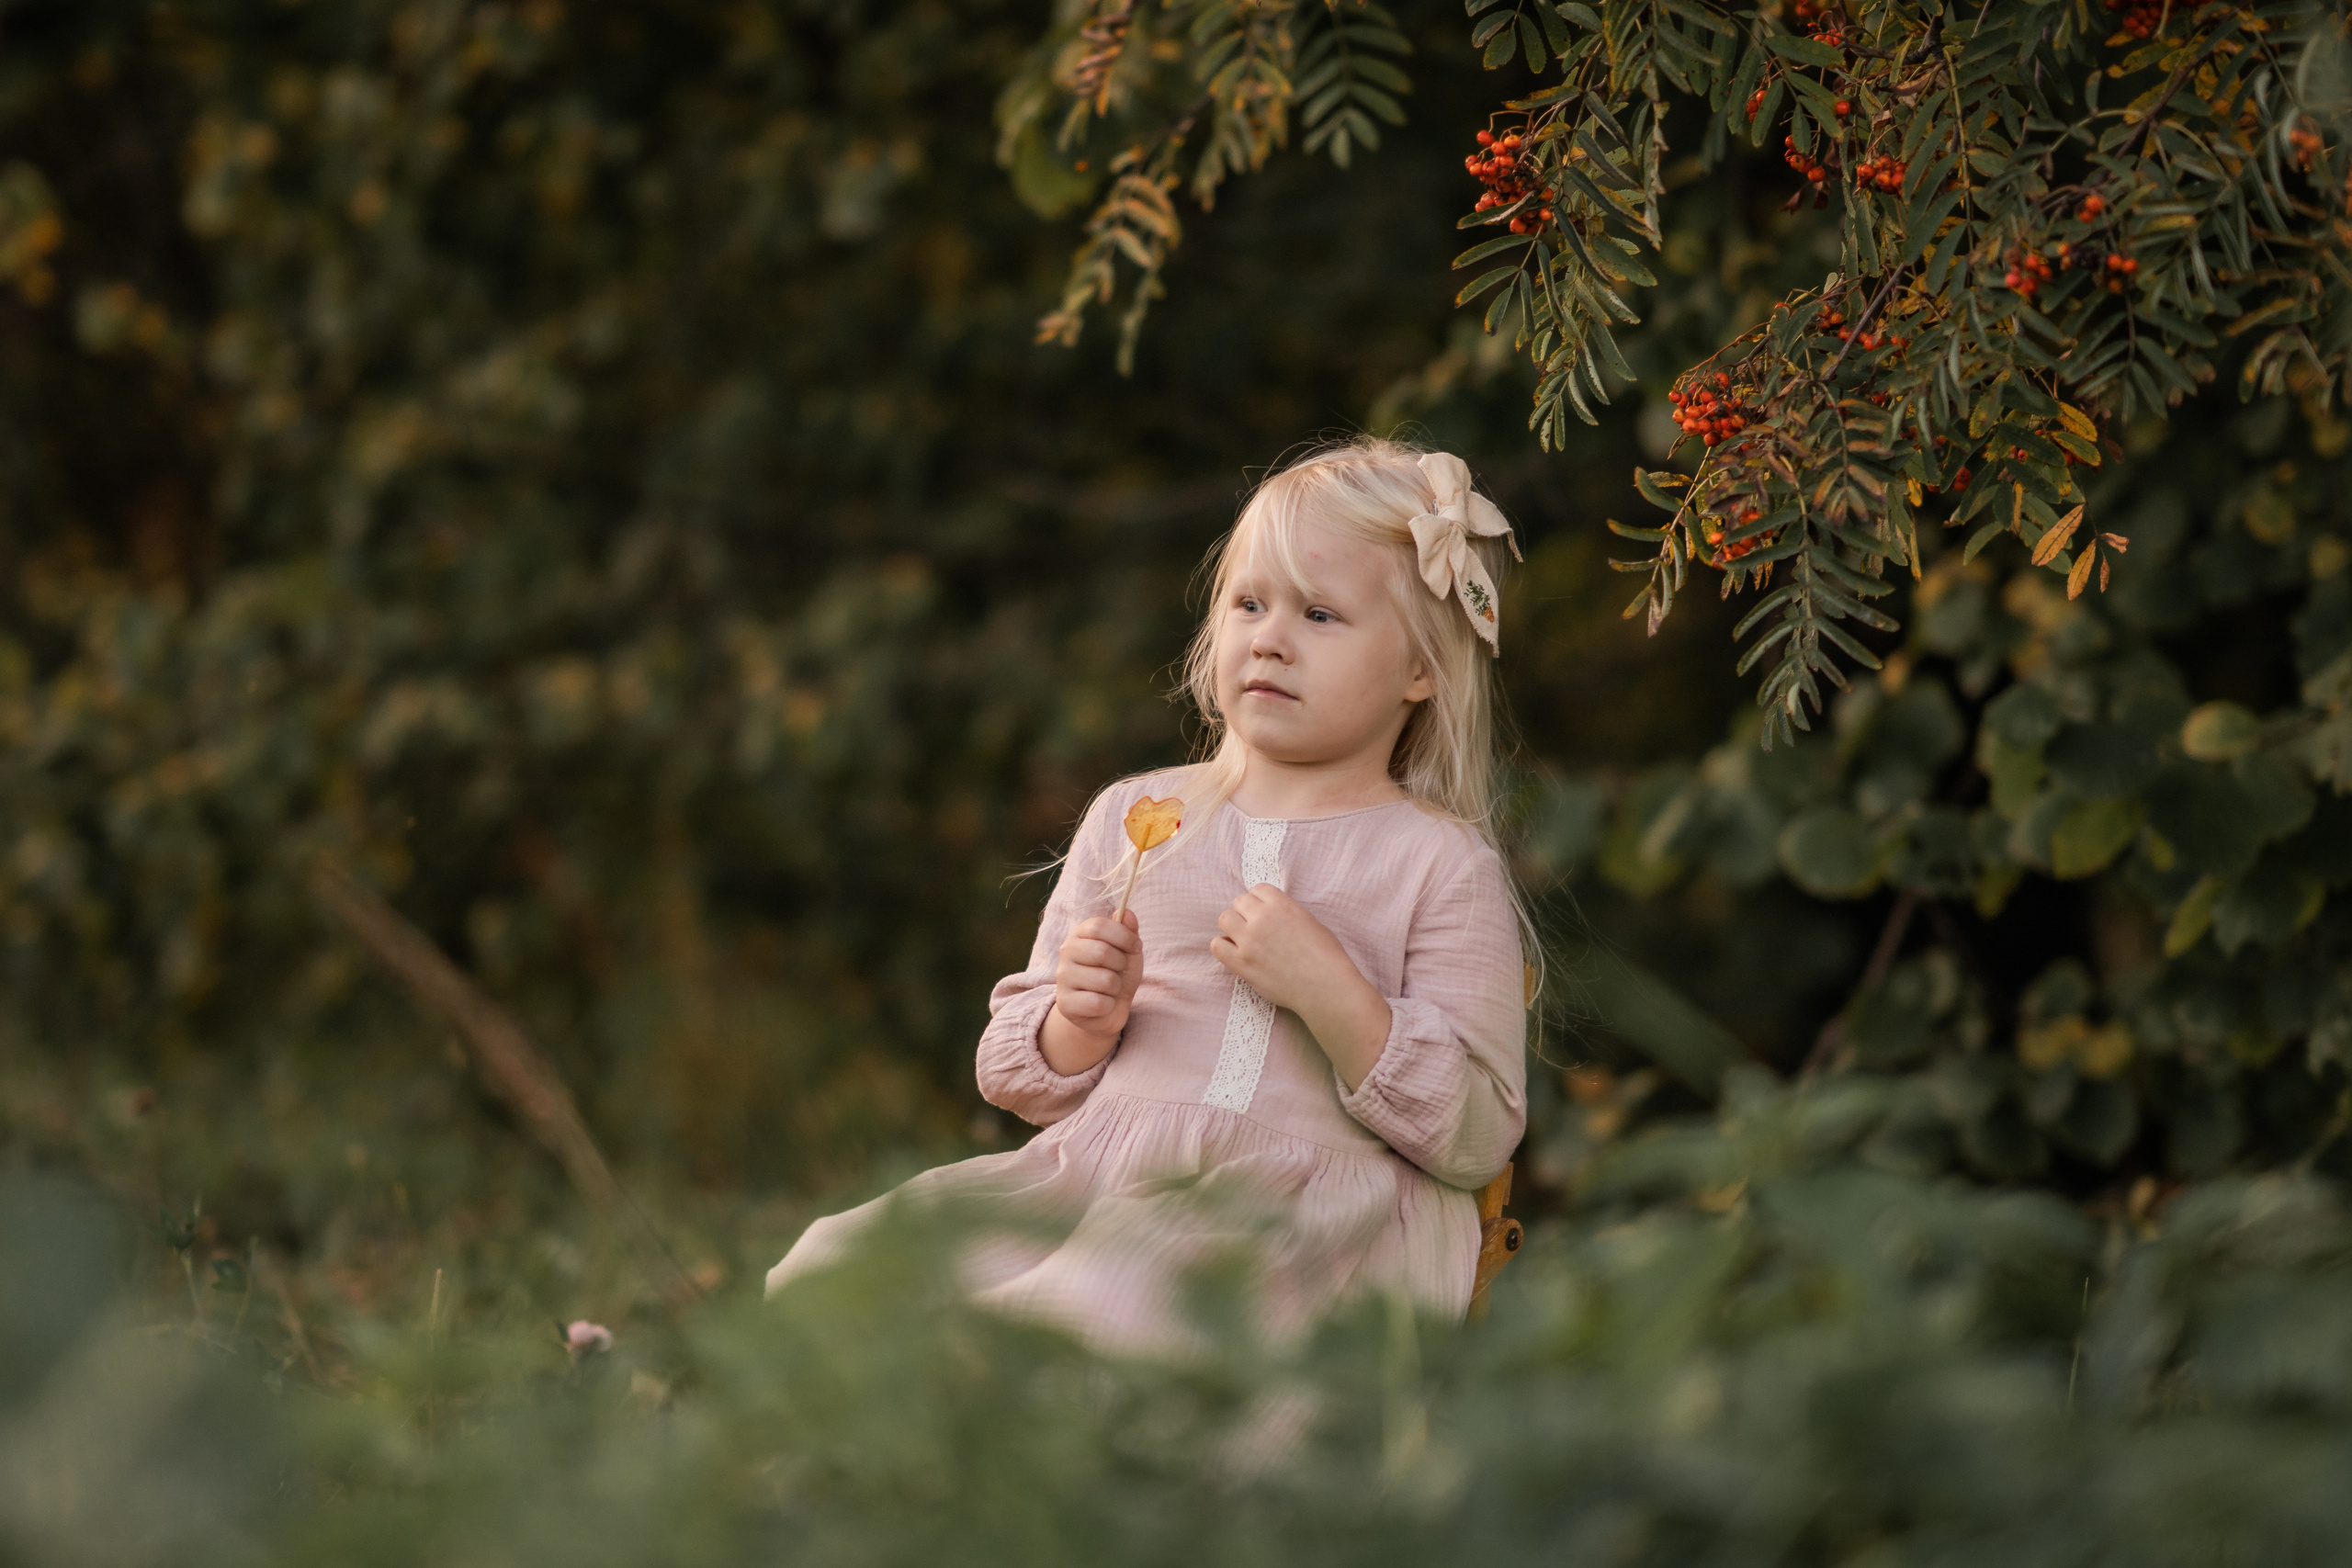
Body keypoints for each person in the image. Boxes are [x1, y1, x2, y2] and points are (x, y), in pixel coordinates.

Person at [765, 439, 1532, 1350]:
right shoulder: (1142, 818)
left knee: (1102, 1311)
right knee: (844, 1267)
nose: (1271, 638)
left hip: (1297, 1233)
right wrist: (1078, 1022)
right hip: (1100, 1182)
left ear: (1422, 668)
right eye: (1249, 603)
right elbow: (1022, 1071)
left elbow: (1478, 1132)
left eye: (1320, 614)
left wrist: (1333, 992)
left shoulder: (1437, 861)